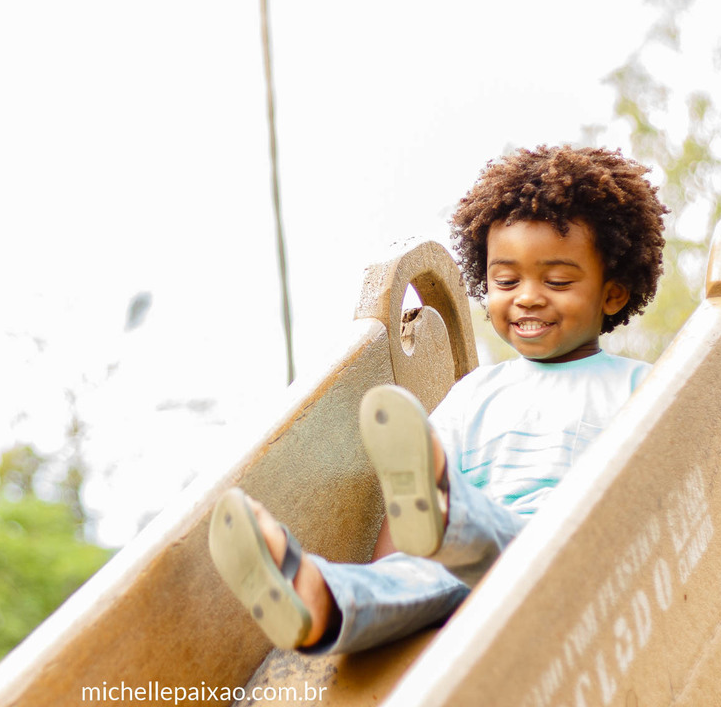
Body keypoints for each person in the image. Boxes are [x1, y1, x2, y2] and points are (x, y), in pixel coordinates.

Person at [209, 145, 669, 653]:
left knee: (487, 542)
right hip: (466, 579)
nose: (527, 296)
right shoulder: (475, 393)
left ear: (613, 293)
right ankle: (317, 598)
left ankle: (455, 523)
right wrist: (393, 575)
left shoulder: (643, 387)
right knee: (433, 571)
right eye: (506, 280)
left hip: (573, 562)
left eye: (557, 280)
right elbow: (413, 496)